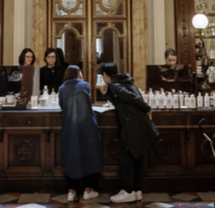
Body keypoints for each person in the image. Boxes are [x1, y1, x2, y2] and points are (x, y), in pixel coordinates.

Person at [100, 63, 159, 203]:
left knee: (123, 154)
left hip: (131, 123)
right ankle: (137, 190)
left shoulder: (114, 84)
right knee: (137, 154)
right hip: (138, 122)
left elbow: (129, 97)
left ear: (105, 75)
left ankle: (128, 191)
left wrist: (146, 107)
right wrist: (107, 93)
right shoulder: (125, 80)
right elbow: (122, 99)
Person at [58, 66, 102, 202]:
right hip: (86, 126)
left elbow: (61, 106)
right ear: (77, 73)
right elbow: (88, 104)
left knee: (72, 155)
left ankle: (71, 191)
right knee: (88, 154)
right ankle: (88, 190)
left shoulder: (61, 88)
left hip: (69, 126)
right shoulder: (84, 85)